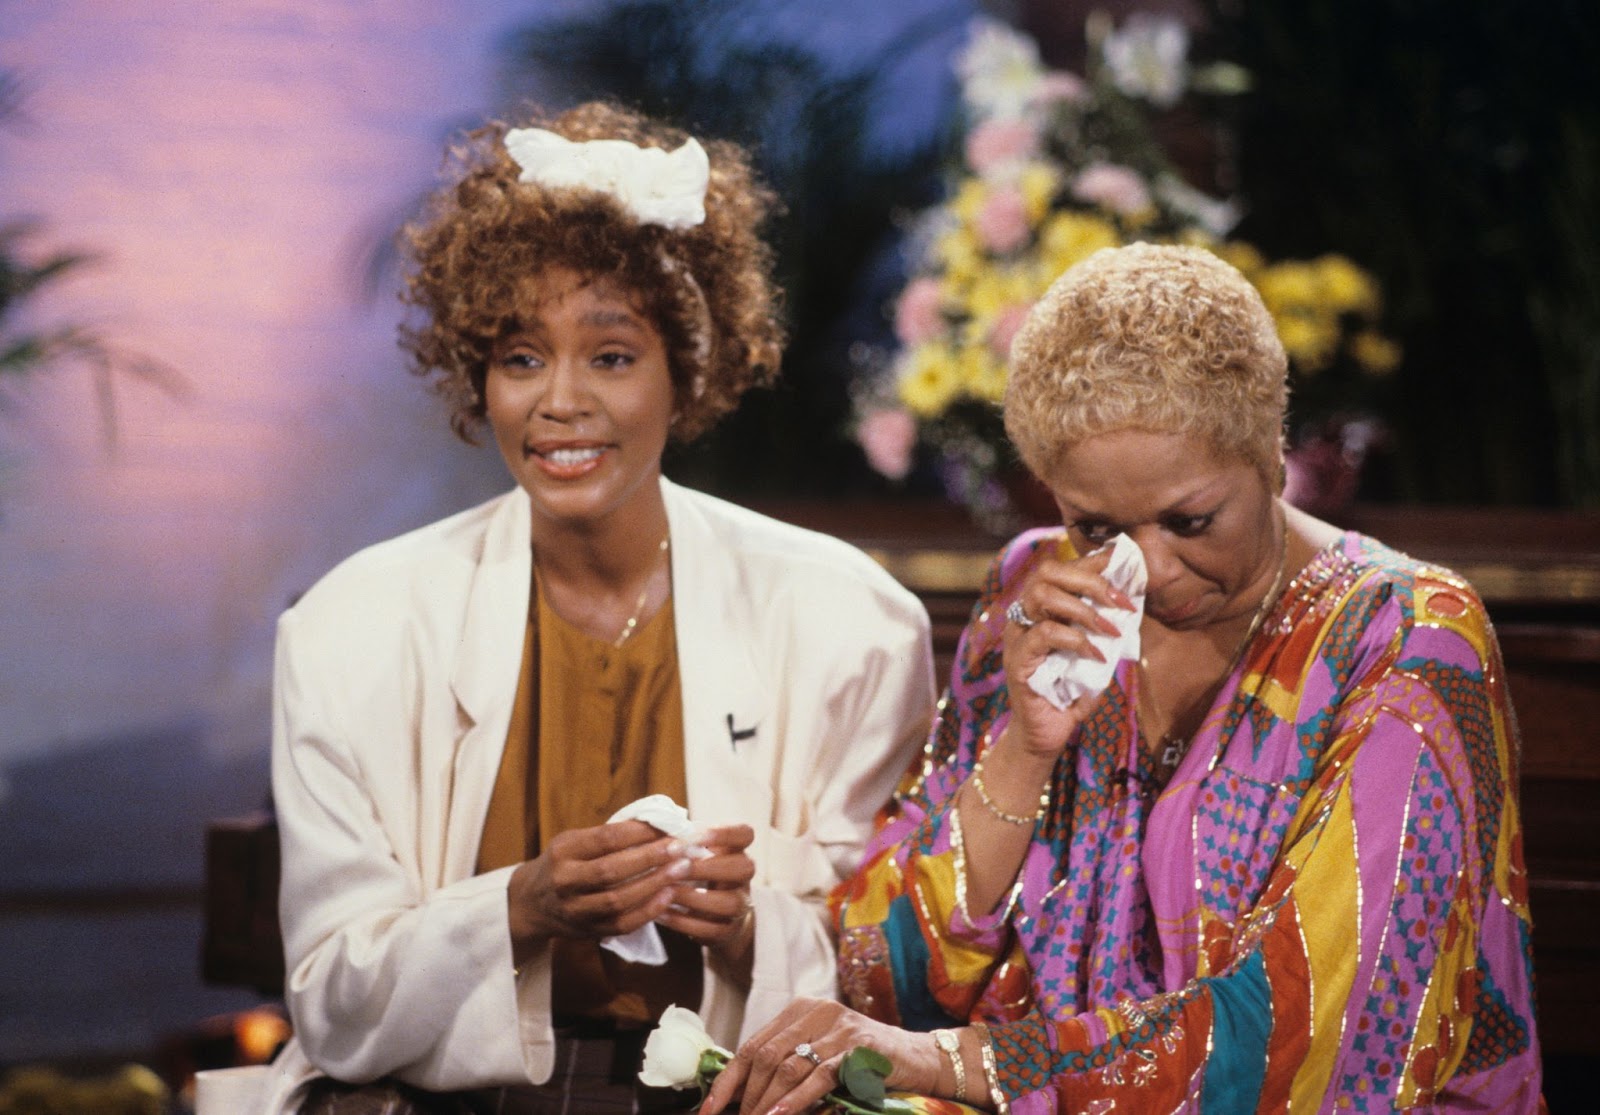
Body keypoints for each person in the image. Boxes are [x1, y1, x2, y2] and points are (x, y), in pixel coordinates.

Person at [703, 243, 1543, 1114]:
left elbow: (1309, 1036)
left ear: (1270, 450)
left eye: (1190, 520)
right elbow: (882, 976)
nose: (1153, 570)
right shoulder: (1039, 598)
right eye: (1095, 523)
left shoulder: (1407, 635)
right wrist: (1026, 749)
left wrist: (963, 1064)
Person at [253, 102, 937, 1115]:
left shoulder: (851, 622)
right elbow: (336, 1008)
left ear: (686, 370)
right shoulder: (353, 629)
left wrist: (750, 926)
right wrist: (519, 906)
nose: (558, 401)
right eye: (520, 357)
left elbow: (895, 981)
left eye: (610, 356)